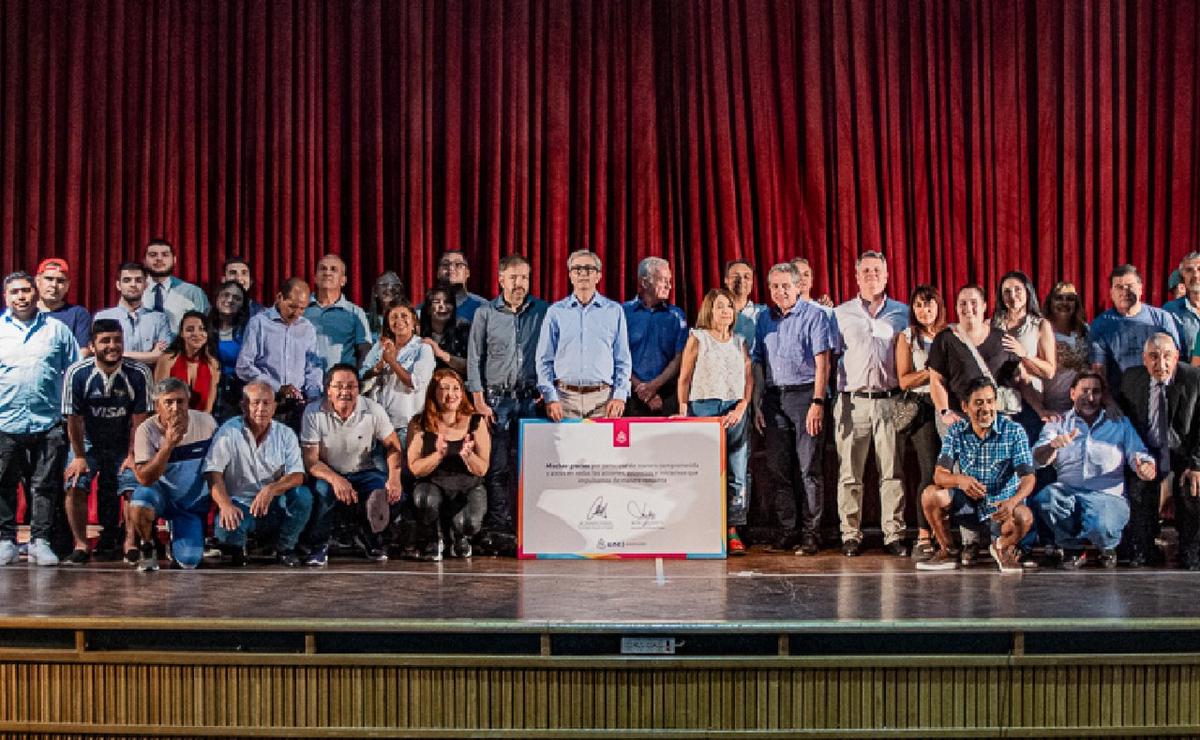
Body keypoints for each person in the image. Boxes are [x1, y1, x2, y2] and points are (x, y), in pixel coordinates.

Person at [926, 285, 1021, 563]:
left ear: (985, 305)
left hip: (994, 422)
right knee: (962, 477)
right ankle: (968, 542)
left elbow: (1015, 380)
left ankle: (997, 538)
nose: (968, 308)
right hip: (957, 418)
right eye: (963, 303)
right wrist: (944, 411)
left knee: (998, 476)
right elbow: (936, 381)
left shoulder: (1001, 339)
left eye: (974, 303)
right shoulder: (946, 338)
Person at [1030, 372, 1156, 568]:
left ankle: (1107, 547)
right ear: (1072, 394)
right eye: (1084, 391)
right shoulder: (1058, 423)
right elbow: (1037, 459)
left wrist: (1146, 467)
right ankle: (1072, 548)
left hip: (1107, 496)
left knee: (1100, 524)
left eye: (1095, 392)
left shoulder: (1119, 422)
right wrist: (1052, 446)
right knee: (1046, 498)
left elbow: (1139, 454)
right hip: (1068, 494)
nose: (1090, 398)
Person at [831, 251, 910, 557]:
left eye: (877, 270)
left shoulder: (902, 312)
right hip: (853, 402)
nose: (871, 275)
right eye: (865, 271)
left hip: (890, 402)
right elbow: (831, 357)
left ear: (887, 276)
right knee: (850, 474)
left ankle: (894, 533)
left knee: (892, 473)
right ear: (856, 276)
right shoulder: (840, 314)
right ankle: (850, 534)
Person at [466, 254, 548, 549]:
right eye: (513, 277)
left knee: (532, 466)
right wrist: (478, 398)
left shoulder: (542, 311)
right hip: (496, 402)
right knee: (497, 466)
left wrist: (548, 389)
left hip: (531, 400)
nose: (519, 283)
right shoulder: (485, 313)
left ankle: (533, 525)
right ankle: (501, 528)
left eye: (524, 277)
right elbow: (475, 357)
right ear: (501, 279)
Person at [752, 262, 835, 553]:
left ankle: (811, 532)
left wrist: (817, 402)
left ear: (798, 286)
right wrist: (758, 402)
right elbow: (758, 363)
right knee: (778, 469)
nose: (780, 291)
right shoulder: (764, 318)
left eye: (785, 285)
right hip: (774, 399)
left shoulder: (815, 316)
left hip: (804, 396)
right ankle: (787, 529)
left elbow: (823, 362)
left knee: (808, 468)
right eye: (774, 286)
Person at [0, 271, 80, 566]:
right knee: (3, 483)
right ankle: (6, 540)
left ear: (36, 294)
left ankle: (40, 541)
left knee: (44, 484)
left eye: (26, 291)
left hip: (47, 421)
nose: (21, 296)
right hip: (5, 422)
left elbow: (73, 373)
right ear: (6, 297)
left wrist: (67, 417)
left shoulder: (57, 330)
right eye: (15, 292)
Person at [916, 377, 1036, 573]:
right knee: (931, 495)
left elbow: (1028, 477)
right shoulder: (956, 431)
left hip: (1001, 507)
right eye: (979, 403)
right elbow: (939, 475)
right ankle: (947, 550)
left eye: (990, 401)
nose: (986, 408)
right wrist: (959, 480)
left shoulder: (1014, 431)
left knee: (1024, 516)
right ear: (965, 406)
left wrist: (1013, 501)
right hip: (968, 504)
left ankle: (1003, 547)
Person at [61, 319, 153, 563]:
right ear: (92, 346)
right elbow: (74, 419)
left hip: (125, 441)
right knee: (74, 482)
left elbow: (140, 421)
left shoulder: (139, 373)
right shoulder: (77, 373)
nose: (112, 346)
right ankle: (81, 545)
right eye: (105, 341)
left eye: (117, 340)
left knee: (133, 483)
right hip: (88, 441)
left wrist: (134, 456)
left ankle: (130, 544)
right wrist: (80, 456)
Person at [301, 365, 405, 564]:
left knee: (393, 495)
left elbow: (393, 445)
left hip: (363, 471)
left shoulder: (372, 409)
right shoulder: (313, 412)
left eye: (351, 386)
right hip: (327, 471)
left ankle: (368, 535)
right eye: (338, 386)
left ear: (359, 389)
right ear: (328, 389)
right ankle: (319, 544)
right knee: (323, 493)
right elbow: (310, 460)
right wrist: (336, 479)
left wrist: (394, 478)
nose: (344, 392)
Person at [675, 288, 752, 554]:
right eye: (720, 306)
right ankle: (703, 528)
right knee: (705, 472)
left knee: (737, 473)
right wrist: (685, 412)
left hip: (734, 411)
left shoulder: (739, 341)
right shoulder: (698, 338)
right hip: (703, 408)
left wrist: (742, 406)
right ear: (709, 309)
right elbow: (684, 377)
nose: (725, 311)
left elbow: (749, 377)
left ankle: (732, 529)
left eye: (729, 307)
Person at [204, 382, 313, 566]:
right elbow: (213, 473)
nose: (260, 409)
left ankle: (285, 548)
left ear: (274, 406)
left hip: (273, 504)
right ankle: (239, 547)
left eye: (266, 403)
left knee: (303, 497)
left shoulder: (285, 434)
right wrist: (225, 505)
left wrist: (271, 489)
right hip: (240, 503)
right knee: (226, 530)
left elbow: (297, 474)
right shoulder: (228, 431)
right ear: (243, 406)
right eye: (255, 403)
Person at [1117, 333, 1200, 568]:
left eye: (1166, 357)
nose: (1160, 364)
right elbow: (1125, 425)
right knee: (1139, 486)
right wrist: (1137, 458)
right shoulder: (1131, 379)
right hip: (1147, 452)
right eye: (1153, 357)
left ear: (1176, 357)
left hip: (1185, 455)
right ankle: (1143, 550)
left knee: (1194, 488)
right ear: (1144, 359)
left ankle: (1191, 552)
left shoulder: (1194, 378)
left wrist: (1197, 464)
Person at [128, 378, 217, 571]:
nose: (175, 408)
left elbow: (216, 469)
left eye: (180, 401)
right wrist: (168, 445)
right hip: (161, 497)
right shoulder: (146, 430)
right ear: (157, 405)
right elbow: (145, 479)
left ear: (188, 401)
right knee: (140, 502)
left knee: (189, 562)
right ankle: (148, 545)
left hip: (190, 504)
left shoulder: (206, 423)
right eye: (168, 402)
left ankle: (178, 537)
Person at [536, 250, 631, 420]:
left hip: (604, 401)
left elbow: (622, 360)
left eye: (589, 269)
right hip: (563, 401)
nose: (583, 274)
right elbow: (544, 360)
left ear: (599, 276)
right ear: (570, 275)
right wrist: (550, 397)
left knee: (602, 448)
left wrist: (619, 395)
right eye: (577, 269)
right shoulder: (555, 312)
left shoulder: (614, 311)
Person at [408, 369, 491, 560]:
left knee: (468, 523)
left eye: (456, 388)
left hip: (468, 486)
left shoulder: (476, 422)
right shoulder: (419, 423)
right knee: (424, 499)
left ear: (462, 393)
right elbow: (415, 468)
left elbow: (482, 469)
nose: (451, 394)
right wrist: (438, 455)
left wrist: (468, 456)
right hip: (434, 484)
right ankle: (433, 538)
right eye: (444, 388)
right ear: (433, 392)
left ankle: (460, 537)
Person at [895, 285, 948, 561]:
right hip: (922, 408)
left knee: (951, 469)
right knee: (929, 470)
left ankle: (949, 534)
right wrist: (931, 371)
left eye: (929, 305)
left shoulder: (949, 335)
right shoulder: (907, 337)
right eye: (918, 305)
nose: (924, 310)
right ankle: (923, 534)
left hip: (948, 407)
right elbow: (904, 379)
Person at [236, 277, 325, 430]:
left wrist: (314, 397)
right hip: (265, 404)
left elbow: (313, 368)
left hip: (298, 407)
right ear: (279, 298)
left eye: (302, 308)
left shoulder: (307, 328)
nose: (297, 313)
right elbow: (243, 367)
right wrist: (277, 387)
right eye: (292, 307)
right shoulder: (259, 323)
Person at [1090, 264, 1182, 392]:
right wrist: (1109, 402)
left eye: (1130, 286)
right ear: (1111, 292)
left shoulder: (1162, 319)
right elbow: (1098, 370)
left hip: (1160, 393)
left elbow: (1175, 360)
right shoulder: (1100, 325)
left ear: (1140, 289)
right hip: (1120, 399)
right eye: (1119, 287)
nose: (1125, 291)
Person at [991, 270, 1057, 440]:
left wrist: (1024, 354)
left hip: (1029, 404)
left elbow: (1049, 371)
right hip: (997, 402)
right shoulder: (992, 324)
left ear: (1028, 291)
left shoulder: (1040, 325)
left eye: (1017, 290)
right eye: (1007, 291)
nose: (1013, 296)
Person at [362, 302, 435, 444]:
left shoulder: (423, 348)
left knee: (401, 465)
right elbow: (362, 375)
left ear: (414, 320)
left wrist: (392, 361)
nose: (399, 321)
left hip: (406, 425)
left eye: (404, 316)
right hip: (378, 423)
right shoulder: (380, 346)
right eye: (393, 317)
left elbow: (414, 383)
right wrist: (377, 368)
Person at [623, 257, 688, 417]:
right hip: (630, 396)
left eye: (670, 280)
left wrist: (654, 386)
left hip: (666, 397)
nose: (669, 286)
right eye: (663, 280)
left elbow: (680, 357)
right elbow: (615, 357)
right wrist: (642, 390)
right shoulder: (622, 313)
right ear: (645, 283)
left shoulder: (677, 316)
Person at [93, 262, 172, 367]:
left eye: (138, 280)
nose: (133, 284)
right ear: (118, 285)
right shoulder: (103, 317)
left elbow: (162, 357)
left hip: (149, 381)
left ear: (146, 285)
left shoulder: (159, 319)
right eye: (127, 280)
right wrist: (151, 355)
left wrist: (119, 354)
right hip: (113, 380)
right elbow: (101, 354)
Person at [305, 254, 372, 371]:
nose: (327, 273)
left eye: (333, 269)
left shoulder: (355, 313)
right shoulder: (301, 308)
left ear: (343, 280)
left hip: (341, 385)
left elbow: (364, 350)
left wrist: (357, 379)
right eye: (323, 268)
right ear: (315, 278)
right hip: (303, 383)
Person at [154, 310, 220, 413]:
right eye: (190, 329)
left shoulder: (213, 364)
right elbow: (160, 400)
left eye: (202, 329)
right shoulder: (168, 360)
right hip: (169, 418)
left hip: (200, 421)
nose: (196, 334)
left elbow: (209, 409)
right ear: (181, 333)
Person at [142, 238, 210, 335]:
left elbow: (205, 331)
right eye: (153, 255)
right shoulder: (134, 291)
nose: (159, 259)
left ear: (174, 260)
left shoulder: (193, 293)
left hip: (180, 349)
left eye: (165, 255)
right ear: (144, 261)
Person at [1041, 282, 1091, 414]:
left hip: (1081, 405)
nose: (1064, 303)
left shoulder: (1084, 330)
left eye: (1070, 299)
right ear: (1050, 302)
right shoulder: (1041, 330)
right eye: (1058, 298)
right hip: (1050, 406)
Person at [209, 280, 251, 421]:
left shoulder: (247, 330)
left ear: (242, 305)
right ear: (217, 298)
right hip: (207, 389)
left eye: (237, 298)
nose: (230, 300)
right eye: (225, 295)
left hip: (237, 392)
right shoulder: (204, 326)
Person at [34, 258, 91, 350]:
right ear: (37, 281)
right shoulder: (25, 313)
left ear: (67, 285)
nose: (54, 285)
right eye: (49, 279)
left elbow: (83, 351)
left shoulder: (78, 314)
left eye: (60, 281)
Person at [419, 285, 471, 375]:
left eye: (447, 302)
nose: (442, 306)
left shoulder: (464, 331)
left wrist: (440, 353)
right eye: (436, 302)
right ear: (428, 309)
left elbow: (471, 367)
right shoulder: (418, 333)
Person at [1163, 252, 1200, 362]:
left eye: (1199, 269)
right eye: (1189, 270)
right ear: (1181, 277)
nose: (1196, 275)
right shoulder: (1170, 311)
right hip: (1187, 377)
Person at [724, 259, 763, 352]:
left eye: (747, 277)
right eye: (735, 276)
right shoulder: (714, 312)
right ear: (726, 280)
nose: (741, 280)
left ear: (752, 282)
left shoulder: (763, 313)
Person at [437, 250, 487, 322]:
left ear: (467, 273)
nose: (451, 268)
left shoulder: (484, 308)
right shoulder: (424, 310)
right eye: (445, 264)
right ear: (438, 273)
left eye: (458, 264)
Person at [367, 271, 406, 341]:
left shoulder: (411, 317)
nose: (389, 288)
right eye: (384, 285)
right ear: (375, 291)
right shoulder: (365, 319)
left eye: (394, 285)